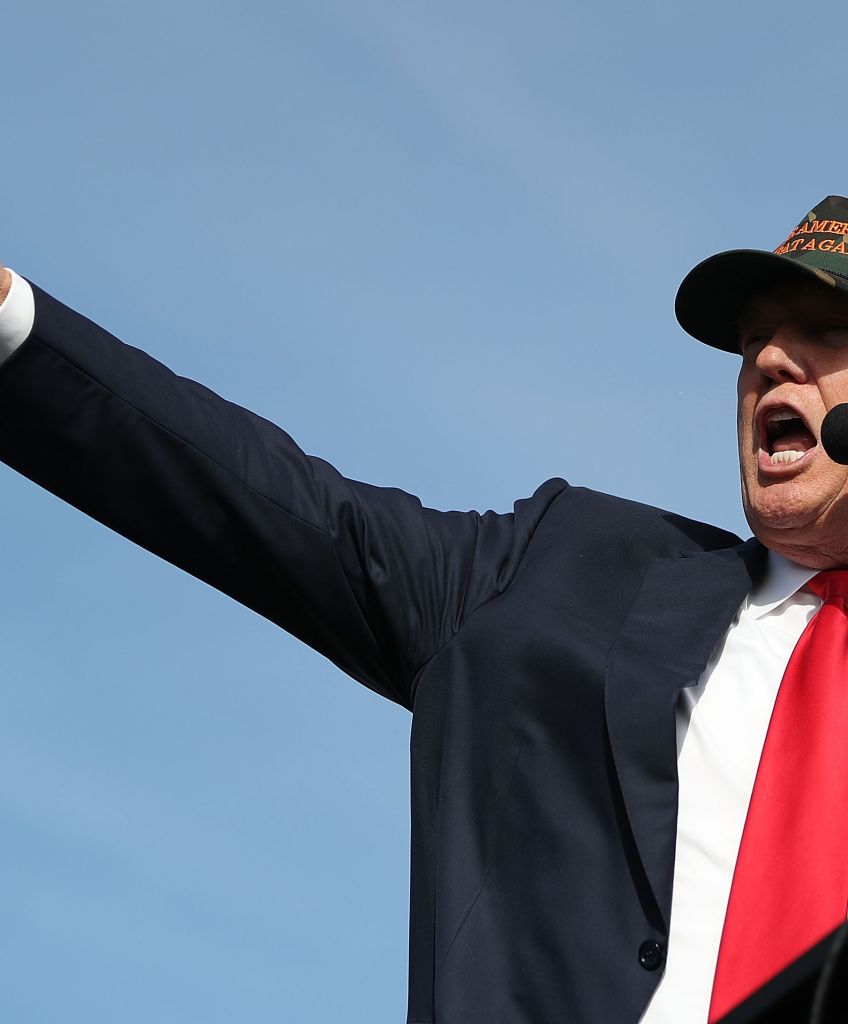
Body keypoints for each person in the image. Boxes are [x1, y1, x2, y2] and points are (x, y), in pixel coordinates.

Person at [0, 195, 847, 1024]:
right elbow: (282, 508)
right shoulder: (564, 567)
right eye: (752, 342)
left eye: (827, 332)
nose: (770, 358)